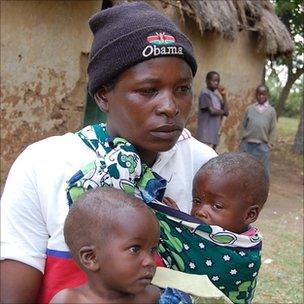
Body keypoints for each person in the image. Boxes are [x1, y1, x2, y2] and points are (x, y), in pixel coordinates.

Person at [0, 2, 217, 303]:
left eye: (182, 89)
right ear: (103, 95)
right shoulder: (44, 165)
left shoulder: (204, 169)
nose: (170, 107)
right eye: (148, 90)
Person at [51, 187, 231, 304]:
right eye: (135, 249)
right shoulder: (69, 300)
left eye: (153, 250)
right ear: (91, 258)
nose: (150, 262)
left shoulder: (153, 297)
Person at [162, 152, 268, 303]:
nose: (200, 211)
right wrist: (178, 220)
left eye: (216, 206)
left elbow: (198, 270)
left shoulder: (244, 255)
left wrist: (174, 229)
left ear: (249, 215)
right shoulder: (208, 229)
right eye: (197, 200)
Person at [239, 84, 277, 177]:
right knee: (244, 168)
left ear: (267, 95)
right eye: (259, 94)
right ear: (256, 95)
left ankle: (263, 190)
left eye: (263, 94)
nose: (261, 96)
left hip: (262, 146)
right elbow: (243, 125)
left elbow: (273, 128)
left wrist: (270, 143)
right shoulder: (249, 109)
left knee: (263, 171)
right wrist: (241, 139)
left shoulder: (271, 111)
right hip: (247, 145)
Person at [197, 71, 229, 150]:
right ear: (207, 81)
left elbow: (226, 112)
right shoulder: (205, 94)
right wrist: (223, 112)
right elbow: (212, 111)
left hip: (214, 135)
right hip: (206, 135)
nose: (216, 83)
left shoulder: (216, 96)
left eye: (218, 81)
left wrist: (224, 96)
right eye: (214, 80)